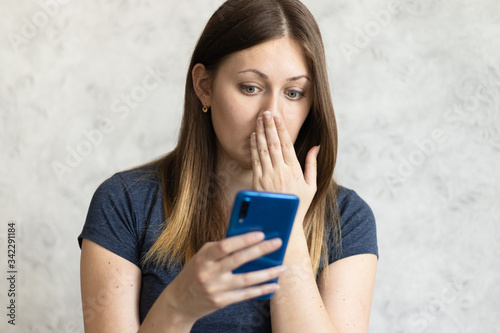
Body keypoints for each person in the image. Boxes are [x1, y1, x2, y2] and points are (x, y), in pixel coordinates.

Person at [78, 0, 378, 332]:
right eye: (251, 88)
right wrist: (177, 306)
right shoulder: (125, 202)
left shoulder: (347, 217)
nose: (272, 115)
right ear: (204, 87)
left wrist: (286, 223)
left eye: (294, 93)